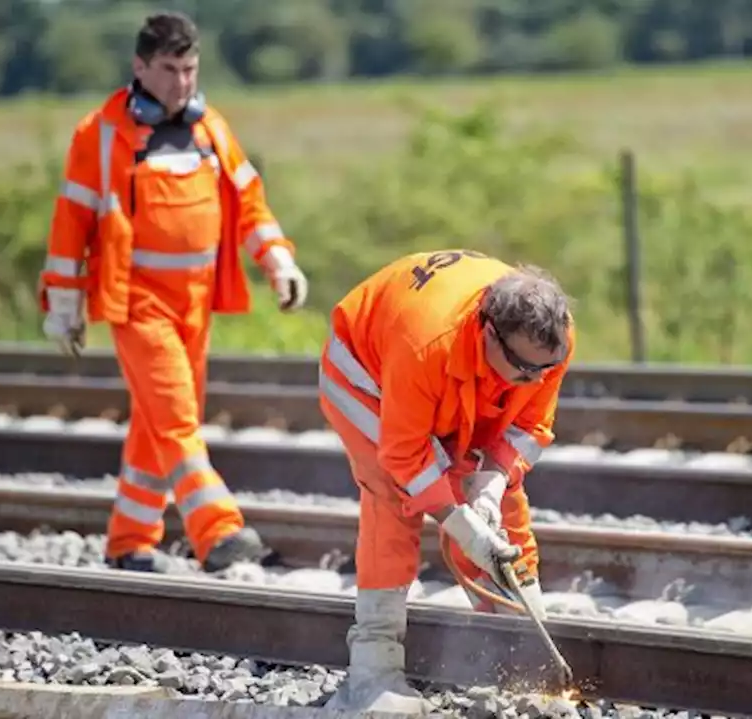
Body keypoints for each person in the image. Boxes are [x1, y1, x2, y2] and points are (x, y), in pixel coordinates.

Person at [35, 11, 309, 574]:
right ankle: (219, 531)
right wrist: (63, 305)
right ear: (140, 67)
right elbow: (71, 223)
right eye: (169, 69)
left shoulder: (211, 129)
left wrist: (278, 262)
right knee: (178, 420)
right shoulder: (101, 133)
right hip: (136, 302)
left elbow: (249, 203)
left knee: (155, 423)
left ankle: (130, 541)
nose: (182, 82)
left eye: (190, 69)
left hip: (196, 303)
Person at [317, 250, 575, 714]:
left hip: (450, 373)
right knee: (395, 498)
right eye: (523, 370)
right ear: (488, 331)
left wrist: (492, 485)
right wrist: (459, 524)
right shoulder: (425, 345)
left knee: (501, 510)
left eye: (544, 371)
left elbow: (531, 426)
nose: (533, 380)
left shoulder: (547, 346)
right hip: (365, 375)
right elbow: (404, 457)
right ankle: (373, 669)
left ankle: (526, 655)